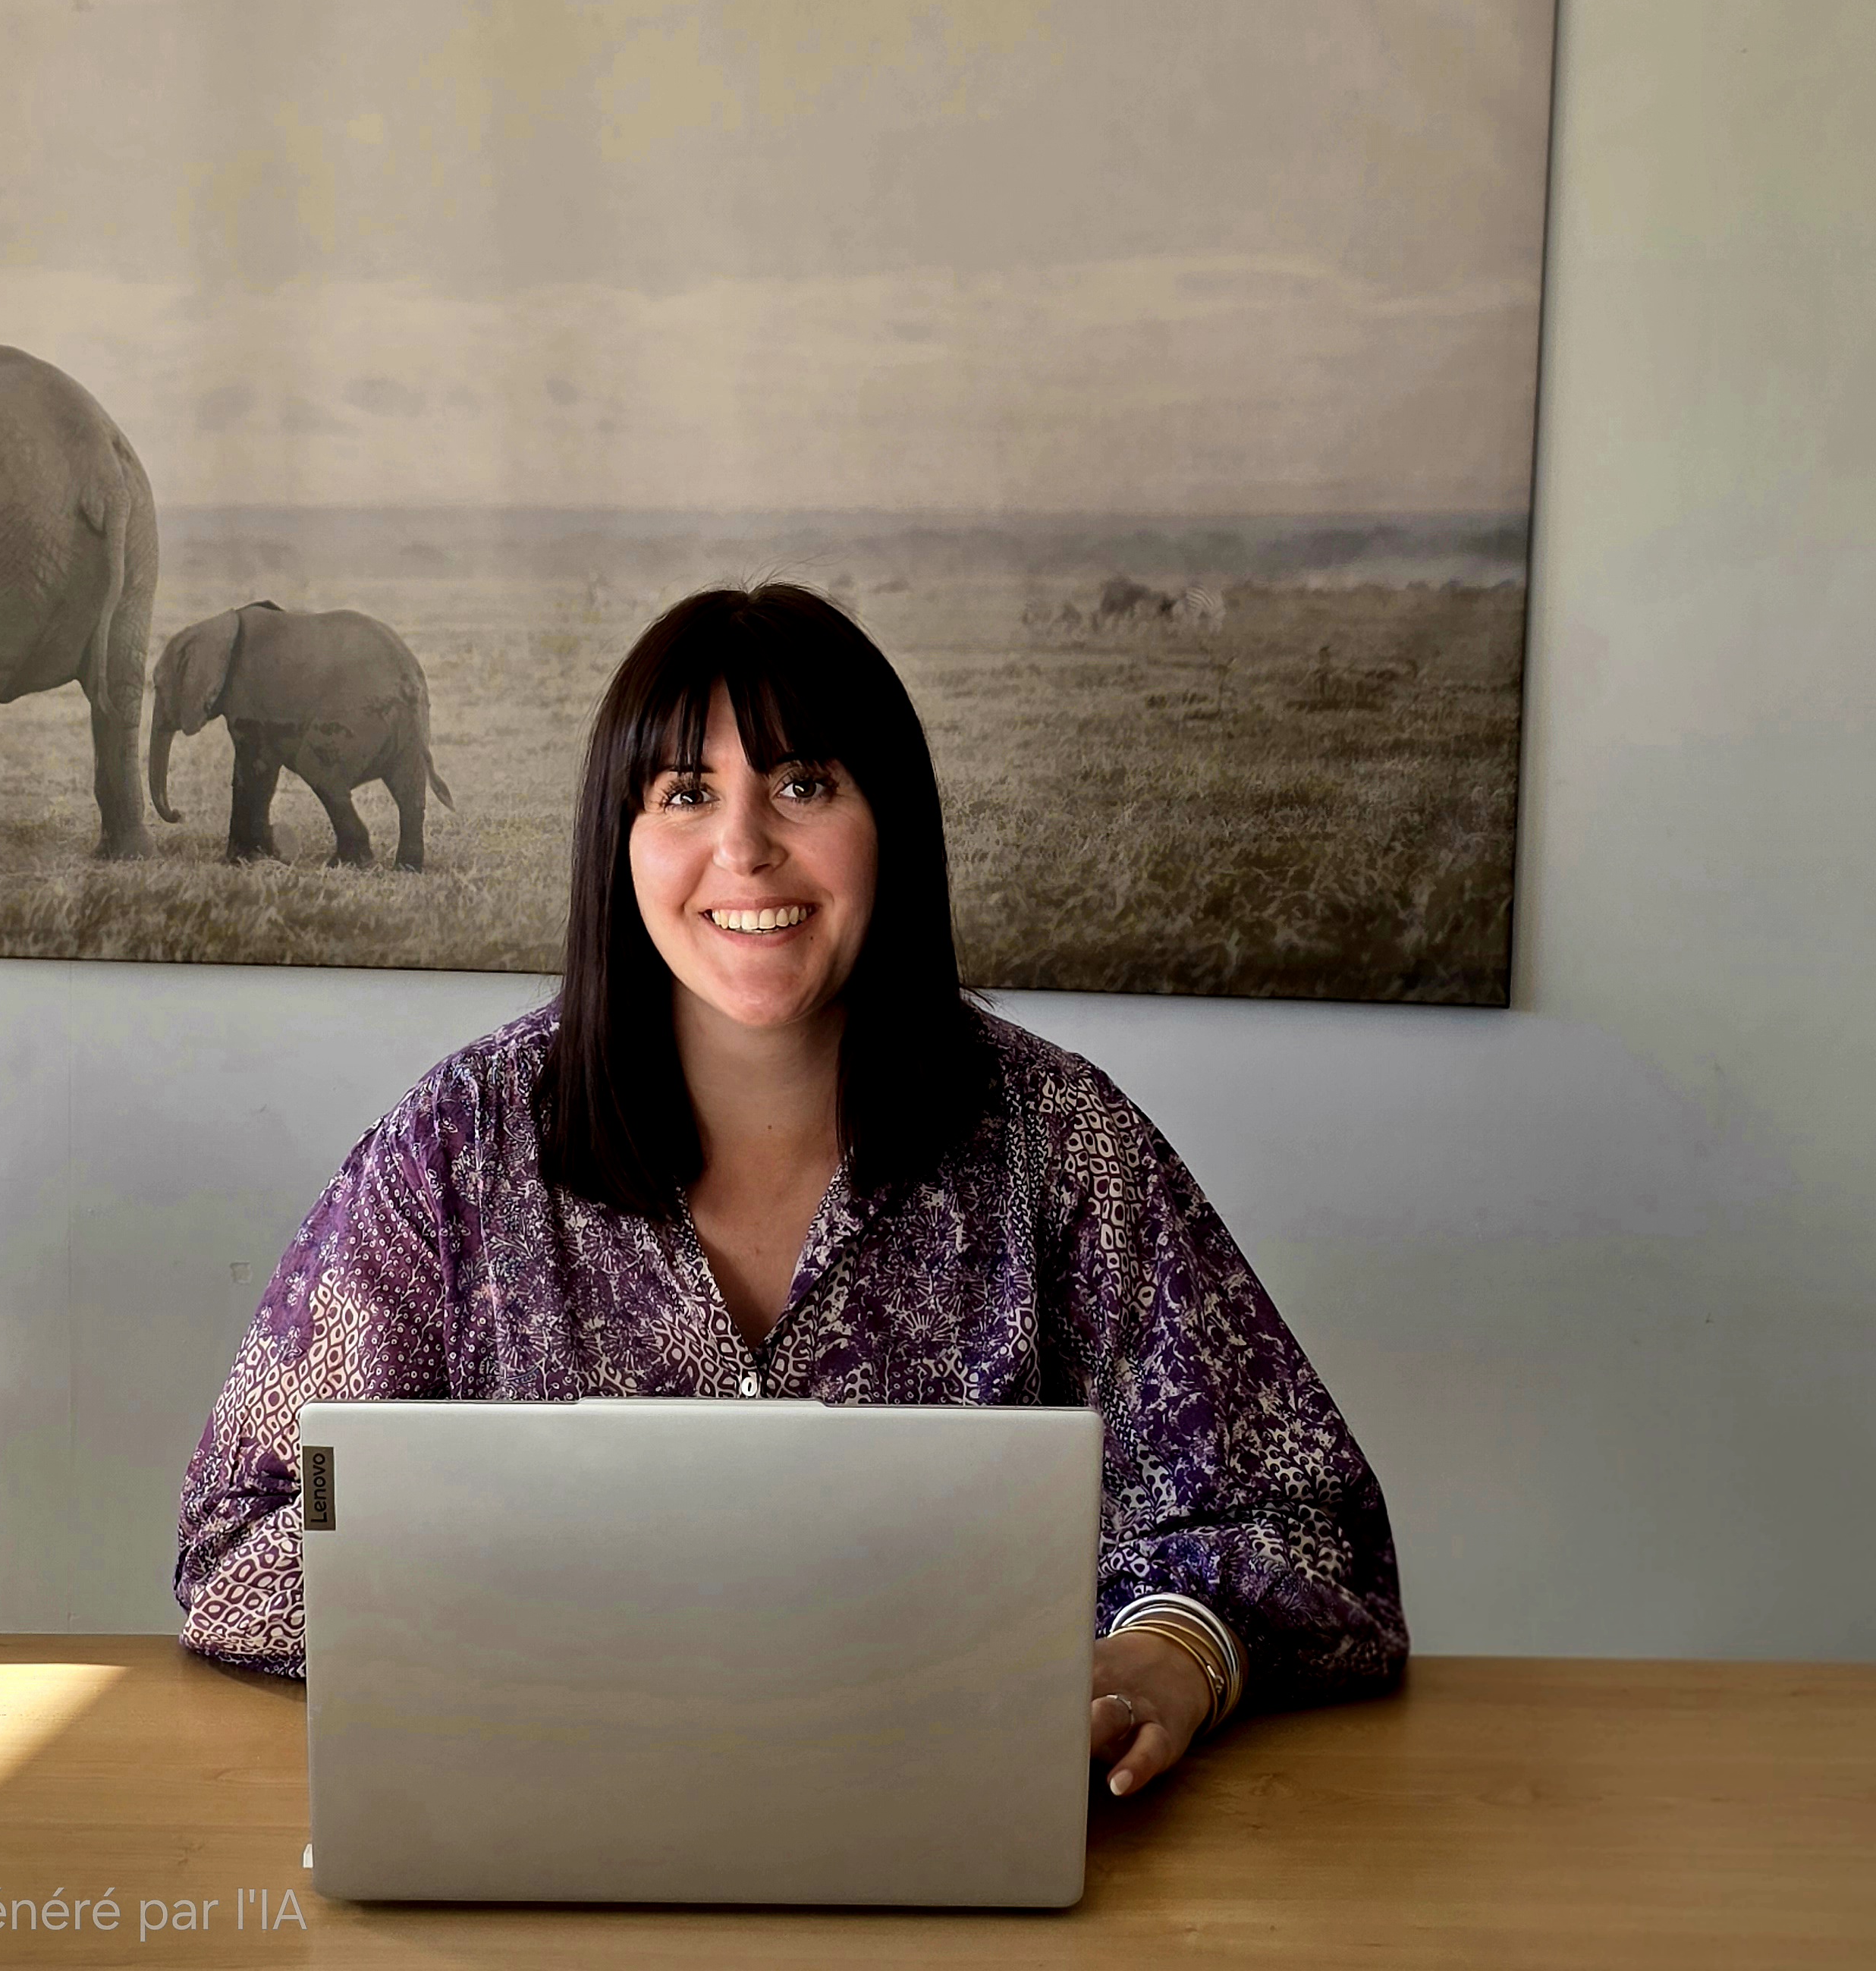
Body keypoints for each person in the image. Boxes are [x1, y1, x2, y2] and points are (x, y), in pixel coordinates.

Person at [175, 583, 1406, 1800]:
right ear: (621, 844)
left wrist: (1171, 1653)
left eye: (805, 785)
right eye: (686, 794)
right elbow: (239, 1541)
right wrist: (557, 1605)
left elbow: (1307, 1522)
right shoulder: (455, 1147)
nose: (745, 847)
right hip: (546, 1831)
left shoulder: (1059, 1140)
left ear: (896, 826)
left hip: (969, 1838)